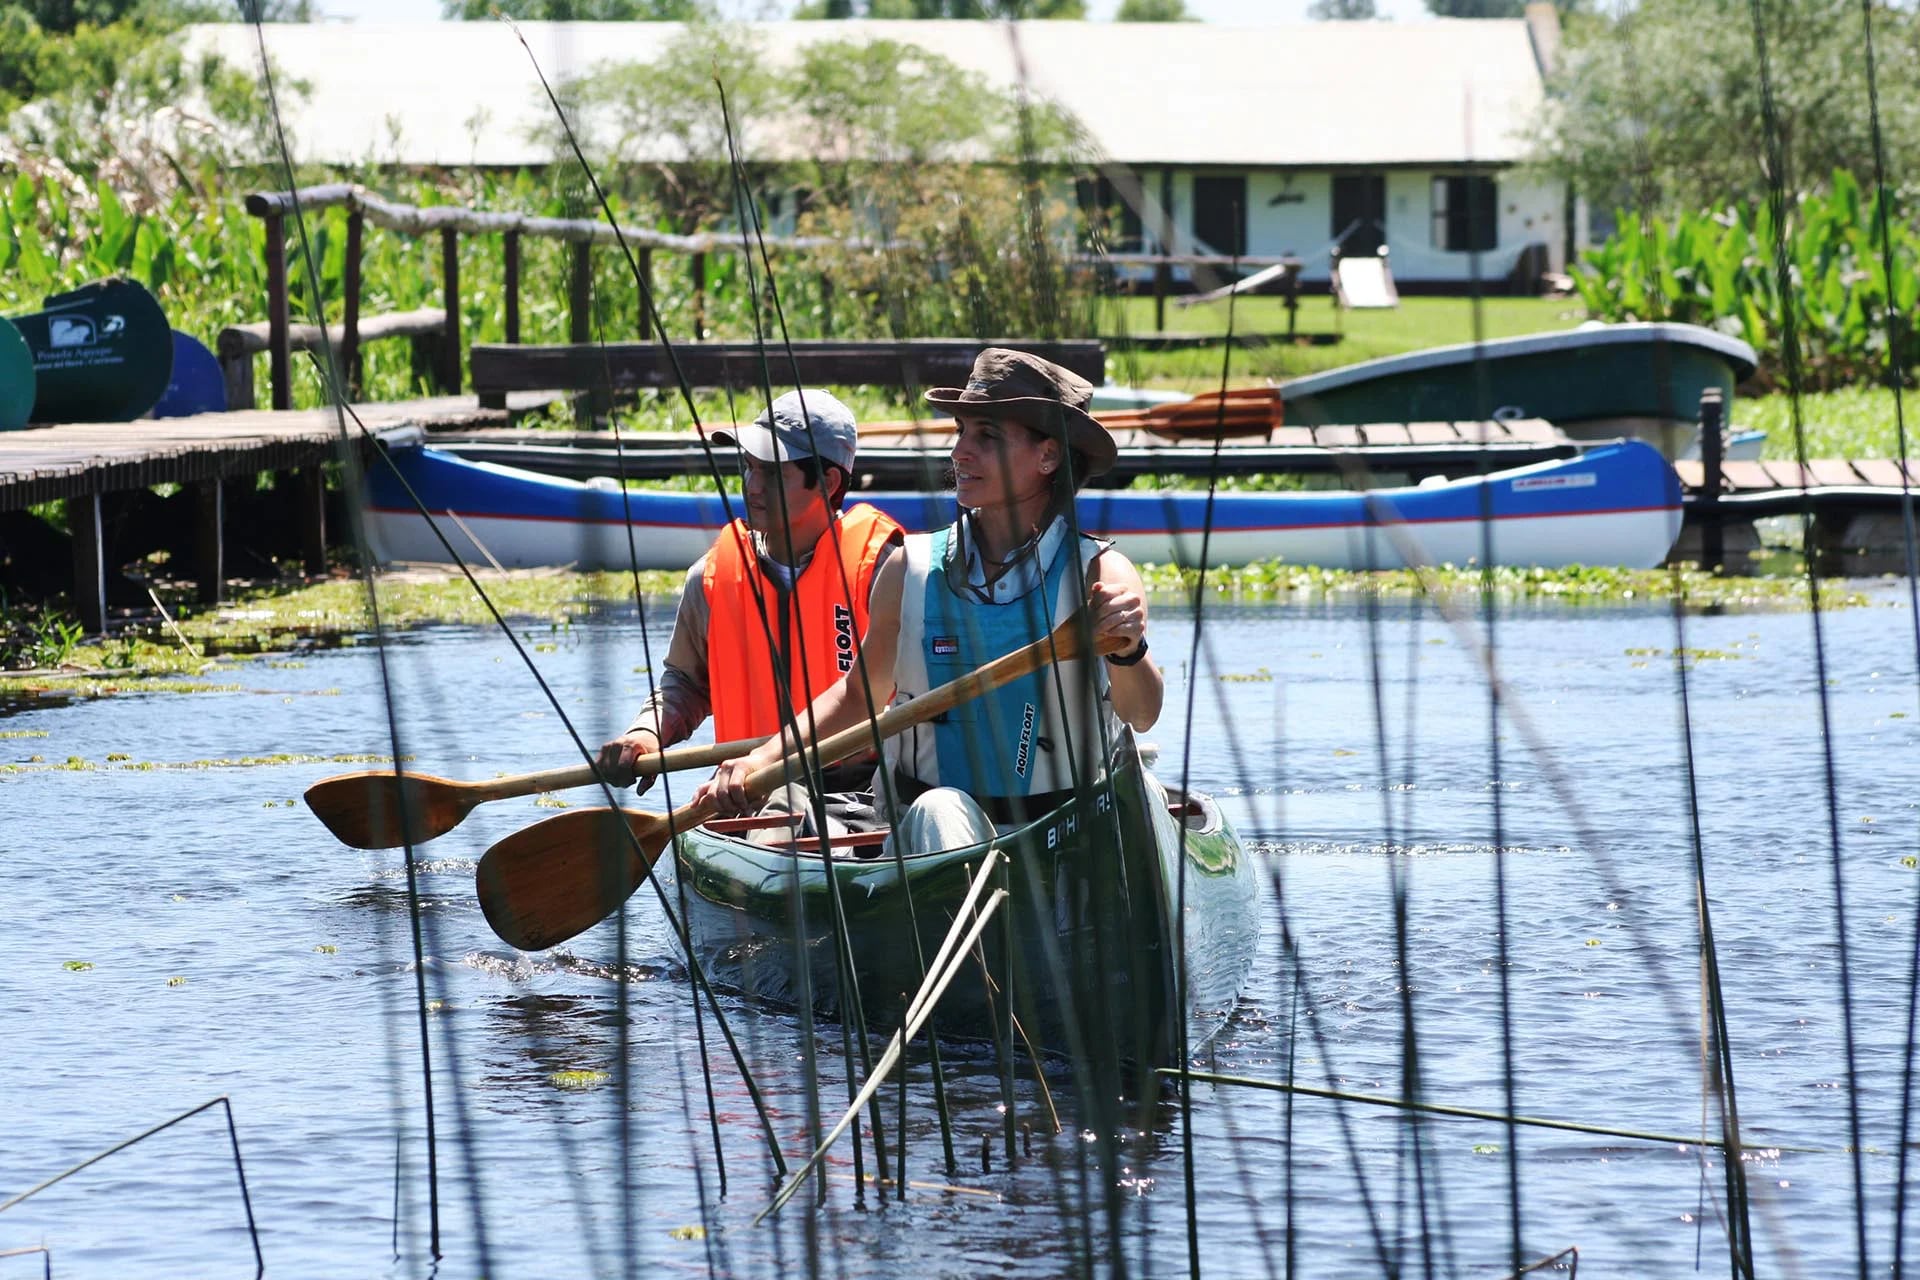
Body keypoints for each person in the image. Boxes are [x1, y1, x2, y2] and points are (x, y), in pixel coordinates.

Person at [696, 348, 1162, 855]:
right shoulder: (908, 568)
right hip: (924, 834)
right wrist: (762, 759)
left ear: (1047, 456)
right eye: (961, 431)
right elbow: (859, 698)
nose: (960, 452)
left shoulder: (1101, 572)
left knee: (1135, 791)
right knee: (942, 809)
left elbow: (1142, 713)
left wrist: (1127, 652)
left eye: (987, 437)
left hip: (1062, 831)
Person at [598, 389, 903, 816]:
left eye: (773, 474)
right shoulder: (709, 578)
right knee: (779, 809)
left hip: (867, 792)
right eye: (748, 467)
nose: (752, 486)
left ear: (829, 482)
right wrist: (647, 733)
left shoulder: (882, 569)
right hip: (747, 793)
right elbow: (685, 684)